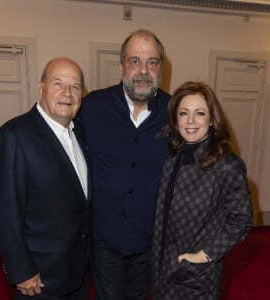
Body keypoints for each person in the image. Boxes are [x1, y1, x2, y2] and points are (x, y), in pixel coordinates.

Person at [0, 57, 91, 300]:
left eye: (75, 87)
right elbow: (4, 213)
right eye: (58, 83)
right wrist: (20, 270)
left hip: (78, 272)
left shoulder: (81, 134)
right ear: (41, 88)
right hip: (39, 279)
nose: (67, 93)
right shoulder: (12, 136)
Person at [80, 29, 171, 299]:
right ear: (122, 65)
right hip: (105, 237)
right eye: (135, 61)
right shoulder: (92, 106)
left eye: (152, 62)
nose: (143, 70)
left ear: (160, 68)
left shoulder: (174, 110)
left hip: (150, 239)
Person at [152, 81, 253, 299]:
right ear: (175, 118)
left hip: (195, 273)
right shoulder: (172, 157)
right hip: (162, 263)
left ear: (211, 119)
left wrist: (204, 255)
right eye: (183, 113)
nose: (190, 121)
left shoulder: (227, 164)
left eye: (199, 113)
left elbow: (241, 220)